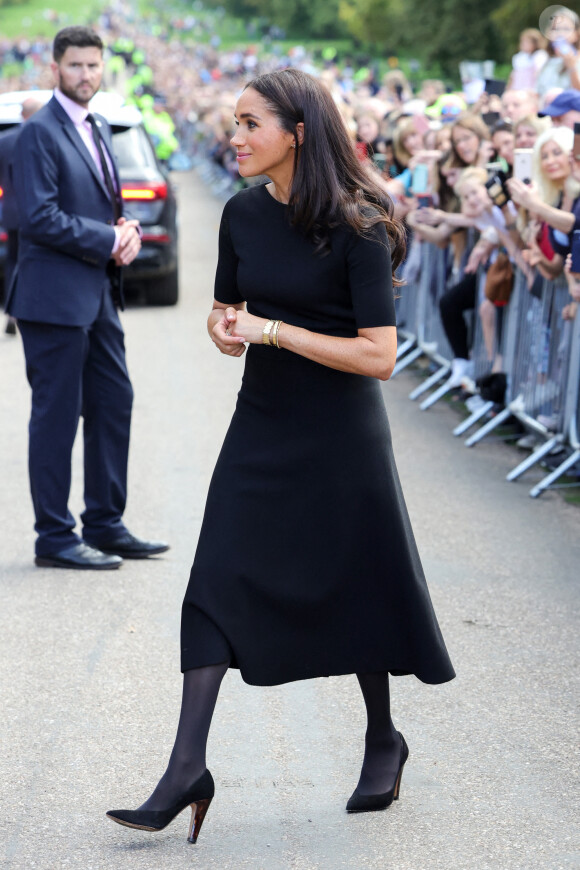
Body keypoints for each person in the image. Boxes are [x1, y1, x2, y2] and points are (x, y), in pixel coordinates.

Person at [106, 68, 455, 843]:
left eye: (249, 123)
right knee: (216, 578)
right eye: (233, 122)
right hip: (261, 422)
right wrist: (226, 330)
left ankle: (382, 739)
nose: (234, 136)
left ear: (297, 131)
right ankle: (186, 766)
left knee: (360, 580)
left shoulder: (362, 223)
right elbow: (229, 313)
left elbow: (379, 358)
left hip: (341, 433)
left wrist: (275, 332)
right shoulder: (239, 212)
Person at [5, 26, 169, 569]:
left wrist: (127, 232)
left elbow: (103, 207)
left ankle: (105, 523)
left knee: (113, 402)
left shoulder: (98, 124)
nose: (85, 76)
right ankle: (54, 537)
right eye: (75, 66)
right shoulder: (38, 133)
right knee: (57, 416)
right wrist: (106, 239)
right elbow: (38, 218)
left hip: (97, 293)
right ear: (55, 68)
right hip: (51, 297)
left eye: (93, 66)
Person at [0, 97, 43, 336]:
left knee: (14, 262)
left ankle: (12, 311)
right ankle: (31, 313)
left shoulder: (5, 141)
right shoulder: (44, 139)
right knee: (37, 262)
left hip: (13, 215)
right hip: (40, 216)